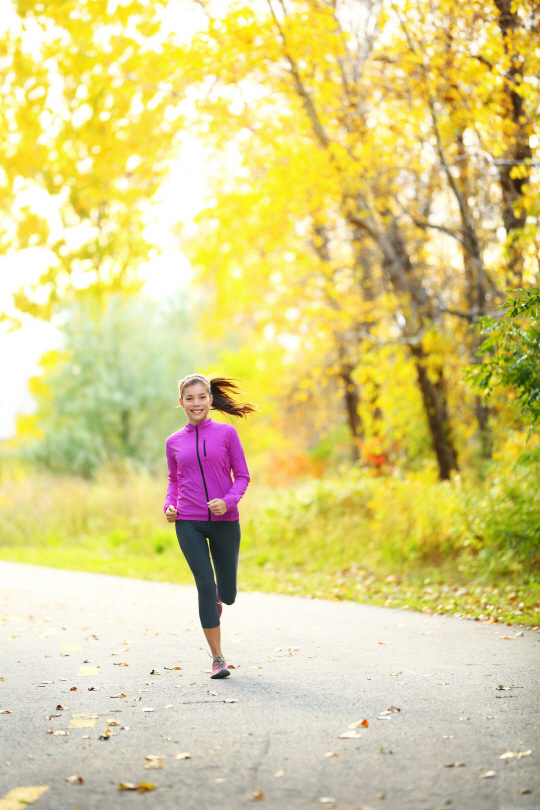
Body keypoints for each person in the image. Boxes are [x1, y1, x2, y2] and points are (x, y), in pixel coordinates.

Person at [163, 374, 255, 678]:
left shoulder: (227, 434)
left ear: (210, 400)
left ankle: (219, 598)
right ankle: (217, 658)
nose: (196, 403)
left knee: (226, 594)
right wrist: (170, 505)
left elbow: (242, 476)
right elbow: (174, 479)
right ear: (181, 403)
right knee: (204, 582)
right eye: (189, 399)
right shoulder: (174, 442)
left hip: (225, 521)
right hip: (188, 521)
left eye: (201, 397)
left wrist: (227, 501)